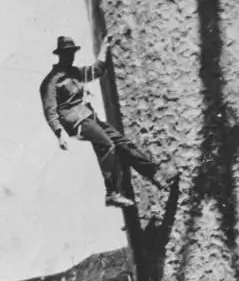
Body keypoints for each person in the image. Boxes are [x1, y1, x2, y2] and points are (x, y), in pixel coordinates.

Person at [40, 34, 175, 209]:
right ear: (60, 55)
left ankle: (156, 174)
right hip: (76, 122)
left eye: (72, 52)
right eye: (67, 53)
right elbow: (50, 110)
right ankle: (112, 193)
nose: (70, 56)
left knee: (122, 143)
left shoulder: (75, 73)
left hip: (89, 117)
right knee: (108, 145)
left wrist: (104, 47)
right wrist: (59, 133)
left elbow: (96, 70)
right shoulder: (51, 81)